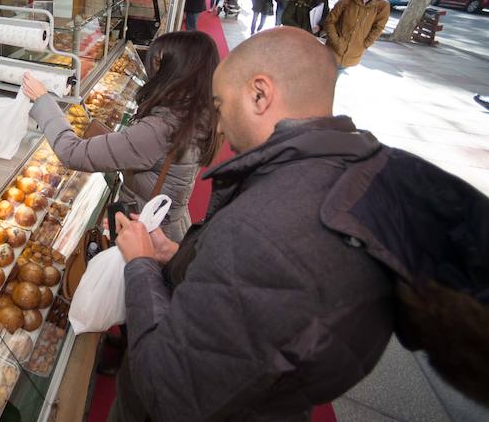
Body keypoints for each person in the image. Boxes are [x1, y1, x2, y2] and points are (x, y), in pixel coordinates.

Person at [108, 27, 396, 421]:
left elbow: (167, 386)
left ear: (260, 95)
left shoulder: (266, 223)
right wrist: (177, 256)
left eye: (221, 106)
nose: (220, 127)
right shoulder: (335, 176)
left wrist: (140, 265)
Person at [21, 31, 220, 241]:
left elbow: (71, 152)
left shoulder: (161, 128)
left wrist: (42, 99)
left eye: (160, 63)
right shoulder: (199, 111)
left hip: (150, 236)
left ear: (176, 72)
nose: (154, 70)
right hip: (159, 221)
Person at [323, 0, 390, 68]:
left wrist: (365, 44)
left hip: (353, 54)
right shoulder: (345, 3)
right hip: (332, 51)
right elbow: (329, 22)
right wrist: (336, 41)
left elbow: (378, 27)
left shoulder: (382, 6)